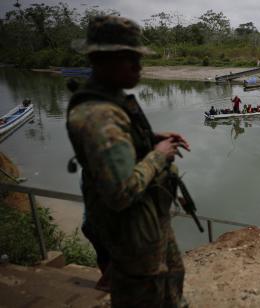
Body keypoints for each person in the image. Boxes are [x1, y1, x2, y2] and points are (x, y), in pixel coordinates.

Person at [65, 16, 190, 307]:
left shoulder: (111, 101)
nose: (139, 66)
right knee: (145, 296)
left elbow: (120, 144)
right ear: (100, 60)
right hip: (131, 236)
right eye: (129, 59)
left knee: (173, 281)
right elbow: (120, 192)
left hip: (147, 225)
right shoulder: (99, 118)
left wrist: (149, 137)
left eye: (138, 58)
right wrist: (159, 155)